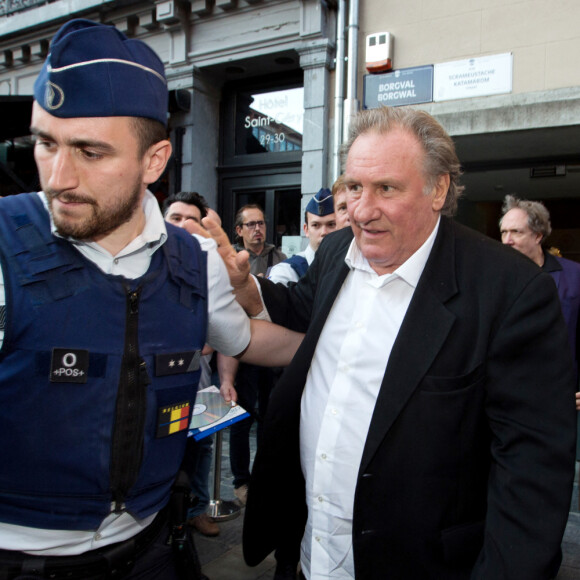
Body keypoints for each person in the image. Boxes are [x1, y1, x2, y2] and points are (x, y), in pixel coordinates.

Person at [197, 106, 577, 579]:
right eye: (355, 187)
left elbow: (531, 477)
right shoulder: (337, 250)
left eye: (386, 189)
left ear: (438, 188)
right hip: (307, 557)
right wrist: (241, 286)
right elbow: (300, 311)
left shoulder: (510, 291)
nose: (361, 209)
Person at [0, 19, 303, 580]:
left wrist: (351, 344)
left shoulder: (196, 260)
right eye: (46, 144)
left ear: (155, 161)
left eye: (90, 152)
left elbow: (249, 338)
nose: (58, 177)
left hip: (154, 552)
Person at [162, 192, 235, 538]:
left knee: (202, 445)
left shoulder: (214, 269)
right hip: (153, 385)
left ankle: (197, 509)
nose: (182, 227)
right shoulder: (143, 265)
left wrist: (226, 379)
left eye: (192, 220)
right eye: (175, 218)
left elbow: (233, 334)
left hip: (200, 378)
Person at [499, 194, 580, 406]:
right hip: (509, 400)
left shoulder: (575, 276)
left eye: (516, 232)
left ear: (538, 236)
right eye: (504, 232)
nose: (507, 240)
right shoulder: (490, 280)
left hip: (563, 400)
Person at [268, 188, 336, 285]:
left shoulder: (351, 264)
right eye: (316, 225)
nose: (324, 232)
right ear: (306, 230)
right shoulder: (288, 271)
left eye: (331, 224)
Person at [234, 204, 286, 276]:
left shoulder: (279, 258)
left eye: (261, 223)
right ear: (239, 231)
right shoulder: (229, 257)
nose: (257, 228)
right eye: (251, 224)